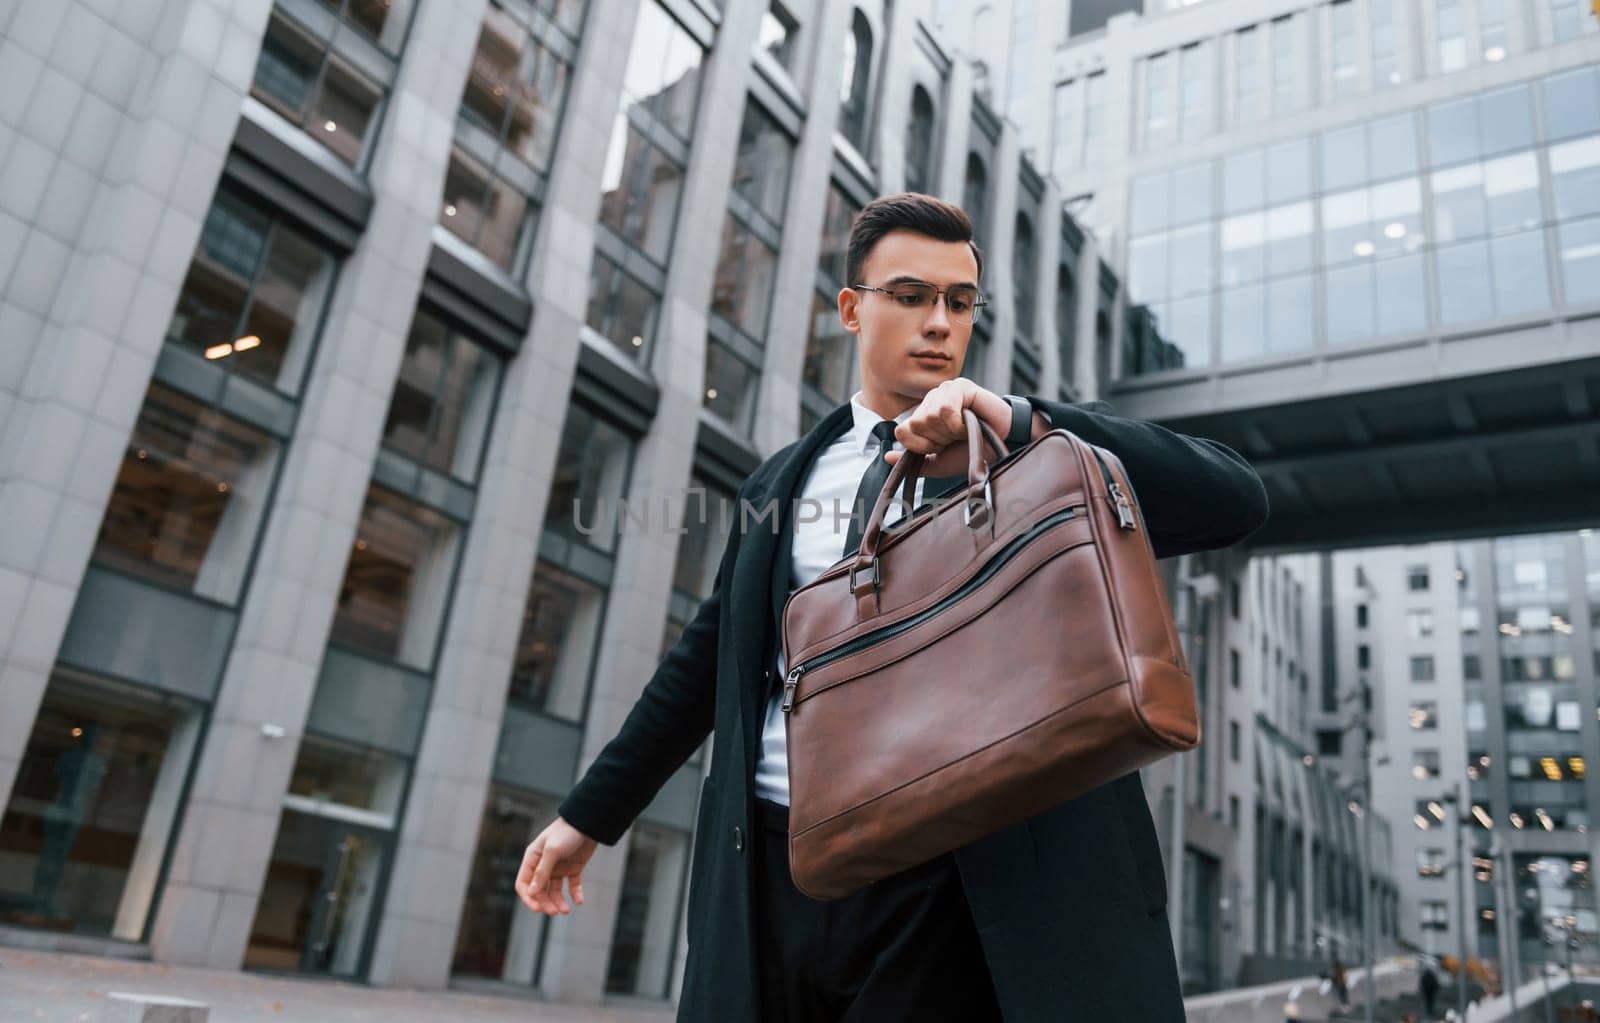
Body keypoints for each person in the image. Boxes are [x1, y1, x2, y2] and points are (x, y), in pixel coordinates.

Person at [513, 192, 1270, 1021]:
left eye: (958, 301)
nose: (939, 322)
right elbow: (708, 660)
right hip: (778, 868)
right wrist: (588, 816)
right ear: (851, 309)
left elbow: (1231, 499)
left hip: (965, 878)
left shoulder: (1031, 455)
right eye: (910, 296)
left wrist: (1021, 421)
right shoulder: (782, 480)